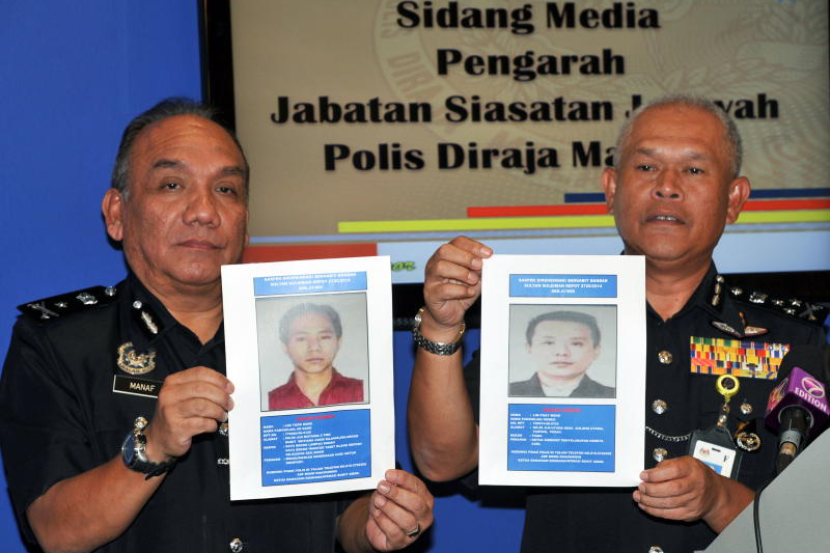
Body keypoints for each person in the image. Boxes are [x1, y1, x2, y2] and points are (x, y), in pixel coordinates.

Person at [0, 99, 433, 553]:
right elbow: (55, 532)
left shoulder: (298, 337)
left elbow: (348, 514)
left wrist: (380, 523)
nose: (204, 211)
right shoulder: (59, 344)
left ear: (245, 222)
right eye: (172, 185)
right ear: (117, 214)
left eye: (226, 189)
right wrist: (152, 447)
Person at [407, 94, 826, 553]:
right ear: (610, 189)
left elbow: (811, 528)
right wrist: (441, 328)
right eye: (646, 167)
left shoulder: (793, 341)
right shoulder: (547, 314)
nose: (667, 187)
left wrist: (719, 499)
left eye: (693, 169)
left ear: (734, 199)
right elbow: (443, 461)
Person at [269, 303, 364, 410]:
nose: (314, 347)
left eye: (324, 337)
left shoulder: (362, 392)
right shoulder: (271, 401)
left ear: (338, 342)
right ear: (285, 346)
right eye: (301, 339)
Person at [509, 310, 614, 398]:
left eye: (576, 344)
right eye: (549, 343)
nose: (562, 352)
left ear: (596, 351)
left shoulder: (612, 395)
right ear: (529, 348)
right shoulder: (509, 391)